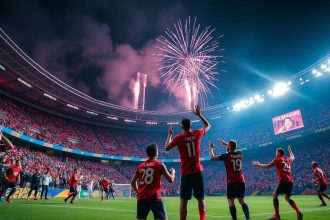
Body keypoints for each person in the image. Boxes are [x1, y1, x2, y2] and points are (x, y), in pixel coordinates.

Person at [165, 105, 211, 220]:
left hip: (186, 173)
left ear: (181, 127)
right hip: (197, 171)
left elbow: (166, 148)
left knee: (183, 201)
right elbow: (208, 126)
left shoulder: (179, 137)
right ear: (191, 125)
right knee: (201, 199)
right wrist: (199, 114)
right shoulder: (197, 133)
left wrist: (169, 135)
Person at [252, 146, 303, 220]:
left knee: (274, 196)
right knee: (287, 198)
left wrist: (258, 164)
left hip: (283, 181)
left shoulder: (277, 159)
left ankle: (277, 216)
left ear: (279, 153)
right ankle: (298, 212)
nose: (275, 154)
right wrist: (290, 150)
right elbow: (293, 156)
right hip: (290, 181)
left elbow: (267, 166)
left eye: (276, 152)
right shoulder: (288, 159)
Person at [131, 144, 175, 220]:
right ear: (156, 153)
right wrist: (173, 172)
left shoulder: (140, 166)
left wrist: (138, 192)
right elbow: (170, 180)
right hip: (155, 197)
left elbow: (133, 182)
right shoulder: (159, 164)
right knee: (163, 218)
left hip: (142, 197)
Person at [209, 139, 250, 220]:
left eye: (228, 145)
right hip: (241, 181)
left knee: (231, 201)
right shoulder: (240, 153)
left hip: (232, 182)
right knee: (242, 201)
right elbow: (233, 149)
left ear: (229, 146)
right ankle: (248, 218)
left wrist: (211, 148)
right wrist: (226, 144)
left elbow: (212, 158)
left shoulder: (226, 156)